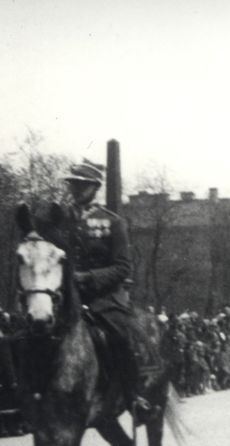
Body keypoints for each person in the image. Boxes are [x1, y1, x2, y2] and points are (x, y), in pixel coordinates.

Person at [59, 159, 150, 416]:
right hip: (67, 295)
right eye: (72, 184)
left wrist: (88, 277)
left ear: (95, 188)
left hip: (104, 297)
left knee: (120, 336)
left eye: (82, 185)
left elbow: (123, 268)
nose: (75, 190)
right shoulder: (62, 219)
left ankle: (134, 396)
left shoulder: (112, 222)